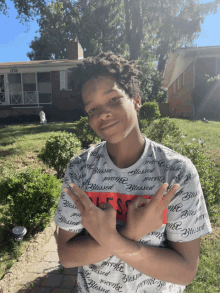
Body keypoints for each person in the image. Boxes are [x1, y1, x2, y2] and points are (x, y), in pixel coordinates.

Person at [54, 51, 212, 293]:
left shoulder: (177, 173)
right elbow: (67, 255)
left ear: (136, 100)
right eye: (92, 109)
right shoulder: (80, 170)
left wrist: (113, 239)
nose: (102, 114)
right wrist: (132, 232)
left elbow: (185, 272)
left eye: (114, 99)